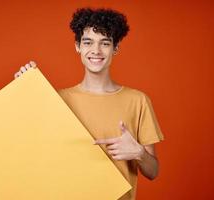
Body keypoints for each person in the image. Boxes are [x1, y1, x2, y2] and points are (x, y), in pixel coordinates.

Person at [14, 8, 164, 200]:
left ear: (115, 48)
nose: (96, 50)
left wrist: (139, 153)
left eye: (105, 43)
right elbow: (28, 148)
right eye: (88, 42)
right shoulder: (58, 100)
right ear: (78, 46)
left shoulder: (138, 101)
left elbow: (153, 172)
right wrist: (23, 90)